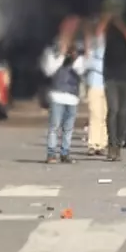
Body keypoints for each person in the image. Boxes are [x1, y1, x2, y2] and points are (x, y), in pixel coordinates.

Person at [99, 0, 126, 160]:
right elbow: (97, 35)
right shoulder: (106, 27)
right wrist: (106, 19)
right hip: (110, 74)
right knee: (113, 110)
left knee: (123, 112)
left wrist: (121, 25)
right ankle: (112, 145)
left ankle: (119, 144)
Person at [41, 17, 87, 164]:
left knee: (68, 128)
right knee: (54, 126)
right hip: (57, 95)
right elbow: (49, 71)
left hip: (72, 96)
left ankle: (65, 153)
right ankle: (51, 153)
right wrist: (61, 56)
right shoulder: (52, 50)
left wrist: (74, 58)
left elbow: (81, 70)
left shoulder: (78, 51)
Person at [83, 21, 107, 157]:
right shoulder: (92, 47)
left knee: (104, 115)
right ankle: (93, 143)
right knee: (94, 114)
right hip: (95, 83)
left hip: (106, 84)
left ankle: (102, 143)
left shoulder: (107, 48)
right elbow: (88, 61)